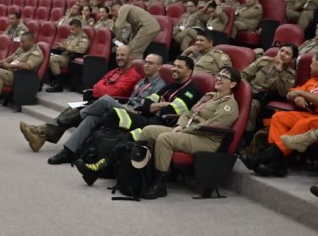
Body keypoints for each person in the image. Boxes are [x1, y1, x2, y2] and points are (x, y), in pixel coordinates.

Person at [76, 65, 238, 197]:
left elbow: (213, 124)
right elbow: (188, 113)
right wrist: (178, 126)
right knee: (147, 131)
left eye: (224, 77)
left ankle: (159, 183)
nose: (219, 78)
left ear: (232, 84)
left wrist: (184, 130)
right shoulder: (209, 96)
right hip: (186, 131)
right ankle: (113, 168)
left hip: (205, 139)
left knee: (165, 139)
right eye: (218, 75)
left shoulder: (229, 104)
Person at [19, 50, 163, 163]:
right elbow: (97, 86)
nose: (146, 65)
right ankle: (68, 151)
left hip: (137, 115)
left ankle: (72, 118)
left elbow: (144, 106)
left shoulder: (159, 85)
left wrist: (107, 93)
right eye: (145, 62)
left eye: (151, 63)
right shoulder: (142, 81)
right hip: (125, 107)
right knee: (91, 118)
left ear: (159, 67)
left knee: (104, 100)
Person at [240, 51, 318, 177]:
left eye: (312, 61)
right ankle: (277, 163)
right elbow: (291, 92)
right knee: (279, 117)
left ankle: (265, 157)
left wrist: (302, 94)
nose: (310, 65)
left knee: (303, 124)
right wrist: (297, 97)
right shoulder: (316, 79)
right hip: (316, 115)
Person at [241, 43, 297, 132]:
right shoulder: (264, 60)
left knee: (251, 105)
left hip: (264, 97)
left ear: (292, 59)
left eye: (287, 53)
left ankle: (246, 134)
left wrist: (280, 71)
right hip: (249, 90)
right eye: (281, 51)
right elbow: (244, 75)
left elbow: (284, 92)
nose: (282, 54)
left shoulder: (290, 74)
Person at [46, 19, 90, 92]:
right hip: (64, 55)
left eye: (73, 29)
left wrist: (66, 47)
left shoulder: (83, 38)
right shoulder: (71, 36)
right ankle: (54, 81)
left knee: (52, 59)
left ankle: (59, 84)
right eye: (70, 29)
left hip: (71, 58)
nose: (71, 31)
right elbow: (65, 44)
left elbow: (81, 50)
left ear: (79, 27)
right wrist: (61, 46)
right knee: (48, 57)